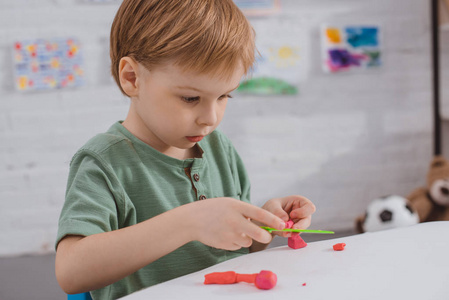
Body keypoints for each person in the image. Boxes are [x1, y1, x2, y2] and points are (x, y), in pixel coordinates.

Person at [55, 0, 316, 299]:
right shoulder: (104, 162)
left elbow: (245, 248)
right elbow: (71, 272)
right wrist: (189, 222)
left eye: (224, 96)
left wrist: (264, 225)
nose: (211, 118)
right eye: (191, 98)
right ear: (132, 78)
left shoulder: (220, 149)